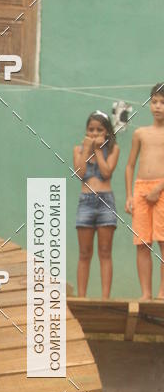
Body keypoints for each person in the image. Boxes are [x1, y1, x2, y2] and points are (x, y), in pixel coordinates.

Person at [73, 111, 120, 298]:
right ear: (86, 131)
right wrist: (86, 150)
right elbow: (79, 173)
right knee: (84, 252)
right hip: (85, 202)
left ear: (107, 132)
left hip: (105, 202)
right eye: (91, 129)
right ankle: (82, 296)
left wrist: (99, 150)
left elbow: (107, 172)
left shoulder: (113, 149)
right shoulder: (78, 149)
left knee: (105, 251)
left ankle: (105, 297)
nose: (94, 133)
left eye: (99, 130)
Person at [125, 82, 164, 299]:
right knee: (142, 243)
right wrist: (130, 195)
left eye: (162, 103)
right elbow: (130, 165)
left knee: (163, 241)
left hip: (162, 189)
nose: (158, 106)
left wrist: (158, 188)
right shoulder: (140, 133)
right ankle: (146, 293)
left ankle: (162, 291)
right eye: (154, 102)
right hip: (141, 189)